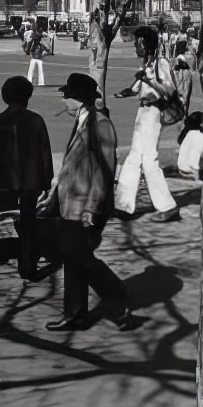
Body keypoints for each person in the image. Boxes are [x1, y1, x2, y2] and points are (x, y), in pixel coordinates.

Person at [41, 73, 131, 331]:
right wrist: (53, 194)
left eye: (66, 95)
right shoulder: (83, 120)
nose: (63, 99)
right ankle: (89, 306)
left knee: (75, 255)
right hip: (72, 202)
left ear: (77, 99)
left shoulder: (99, 123)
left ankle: (103, 302)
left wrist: (93, 206)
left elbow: (105, 169)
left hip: (86, 205)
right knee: (75, 255)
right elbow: (72, 164)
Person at [0, 75, 54, 280]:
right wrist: (46, 181)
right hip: (29, 181)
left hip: (1, 181)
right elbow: (45, 153)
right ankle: (27, 266)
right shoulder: (35, 120)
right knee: (27, 224)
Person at [114, 25, 181, 222]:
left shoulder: (161, 64)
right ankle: (124, 205)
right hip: (143, 112)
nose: (136, 45)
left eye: (139, 42)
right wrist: (128, 90)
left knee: (148, 158)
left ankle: (167, 206)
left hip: (153, 112)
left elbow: (169, 90)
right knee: (134, 157)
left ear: (147, 43)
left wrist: (148, 81)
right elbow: (138, 86)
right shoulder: (147, 63)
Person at [176, 111, 203, 180]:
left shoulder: (190, 133)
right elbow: (193, 159)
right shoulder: (199, 136)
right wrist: (196, 176)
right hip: (190, 171)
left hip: (182, 168)